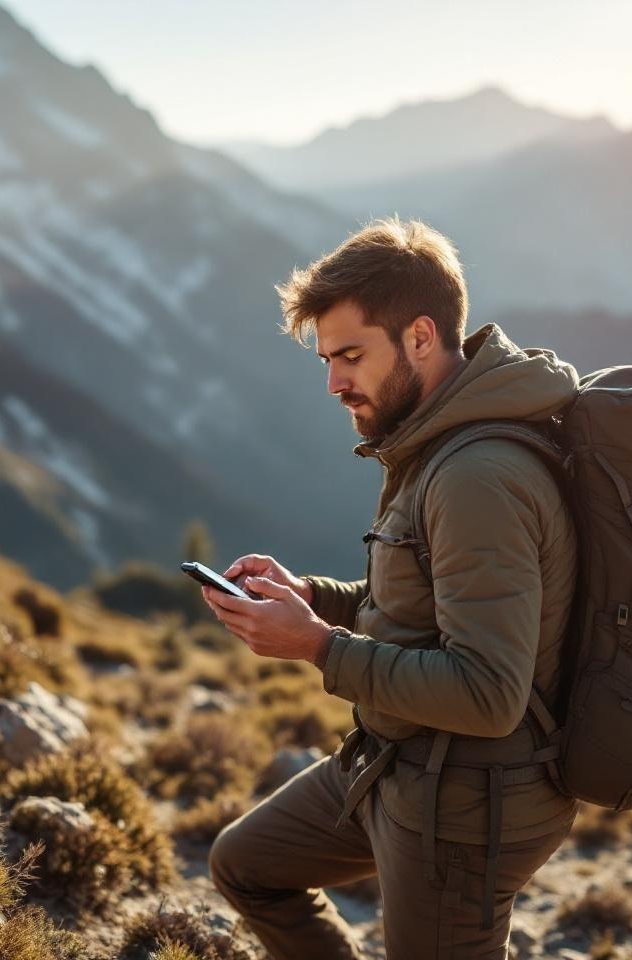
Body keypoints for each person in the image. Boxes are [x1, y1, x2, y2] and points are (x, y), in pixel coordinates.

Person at [200, 216, 581, 959]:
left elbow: (488, 693)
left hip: (466, 805)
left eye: (351, 356)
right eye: (327, 360)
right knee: (247, 866)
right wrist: (311, 597)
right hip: (398, 764)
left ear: (420, 336)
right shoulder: (433, 439)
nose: (335, 383)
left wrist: (318, 646)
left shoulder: (476, 478)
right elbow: (422, 606)